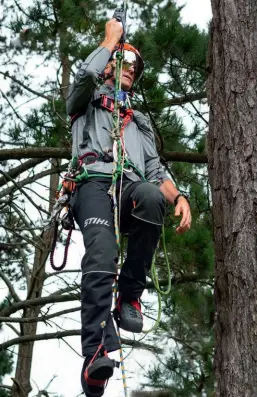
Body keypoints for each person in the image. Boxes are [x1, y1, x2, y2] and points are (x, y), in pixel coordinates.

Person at [66, 18, 191, 397]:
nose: (130, 69)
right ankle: (95, 356)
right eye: (123, 60)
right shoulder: (84, 101)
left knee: (152, 196)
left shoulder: (137, 121)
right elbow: (86, 74)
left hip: (130, 186)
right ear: (108, 65)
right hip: (92, 184)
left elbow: (155, 171)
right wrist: (110, 39)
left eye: (134, 66)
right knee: (102, 253)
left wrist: (179, 196)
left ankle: (129, 295)